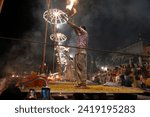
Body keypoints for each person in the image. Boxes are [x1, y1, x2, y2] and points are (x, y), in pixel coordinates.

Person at [63, 17, 88, 88]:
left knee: (81, 68)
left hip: (82, 51)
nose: (79, 30)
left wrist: (69, 23)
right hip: (79, 52)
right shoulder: (80, 35)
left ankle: (83, 83)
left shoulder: (85, 33)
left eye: (80, 28)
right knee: (77, 68)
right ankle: (79, 83)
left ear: (83, 29)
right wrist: (72, 24)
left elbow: (76, 27)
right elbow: (75, 29)